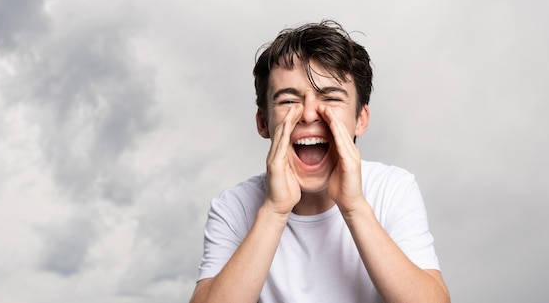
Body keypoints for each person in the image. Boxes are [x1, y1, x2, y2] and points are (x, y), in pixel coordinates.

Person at [190, 20, 450, 303]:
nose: (310, 114)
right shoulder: (234, 207)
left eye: (331, 98)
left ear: (360, 119)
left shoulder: (393, 188)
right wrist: (274, 211)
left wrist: (354, 208)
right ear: (263, 123)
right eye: (288, 101)